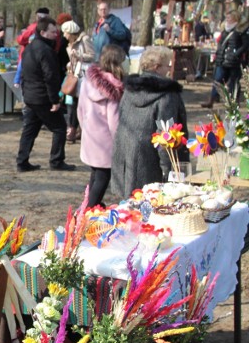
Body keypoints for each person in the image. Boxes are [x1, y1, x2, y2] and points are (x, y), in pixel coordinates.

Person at [111, 46, 189, 198]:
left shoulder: (130, 89)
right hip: (149, 162)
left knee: (131, 205)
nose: (169, 69)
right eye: (168, 65)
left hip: (125, 154)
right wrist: (170, 170)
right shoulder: (166, 95)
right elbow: (166, 136)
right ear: (157, 67)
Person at [16, 16, 75, 172]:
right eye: (53, 32)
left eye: (56, 31)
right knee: (60, 128)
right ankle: (56, 161)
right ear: (43, 32)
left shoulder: (29, 48)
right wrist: (55, 100)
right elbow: (50, 77)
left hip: (30, 96)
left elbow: (24, 72)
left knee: (30, 129)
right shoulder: (46, 51)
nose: (56, 34)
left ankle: (22, 161)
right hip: (41, 97)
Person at [77, 44, 125, 207]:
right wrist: (120, 143)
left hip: (90, 135)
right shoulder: (114, 89)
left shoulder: (88, 81)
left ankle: (90, 203)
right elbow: (114, 122)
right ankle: (89, 208)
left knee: (95, 173)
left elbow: (80, 109)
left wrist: (84, 129)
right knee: (103, 176)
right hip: (105, 141)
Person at [201, 10, 249, 108]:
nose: (227, 19)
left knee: (233, 82)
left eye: (229, 17)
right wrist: (219, 53)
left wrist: (236, 54)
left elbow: (245, 45)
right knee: (217, 80)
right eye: (226, 17)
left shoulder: (241, 30)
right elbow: (221, 43)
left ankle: (234, 102)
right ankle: (212, 100)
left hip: (234, 61)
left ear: (235, 18)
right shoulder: (225, 30)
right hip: (222, 59)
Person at [61, 20, 95, 144]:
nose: (64, 35)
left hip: (84, 76)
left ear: (70, 32)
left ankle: (82, 129)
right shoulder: (68, 43)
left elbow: (92, 55)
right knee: (72, 101)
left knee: (82, 101)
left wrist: (80, 56)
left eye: (65, 32)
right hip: (74, 74)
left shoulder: (85, 39)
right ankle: (73, 128)